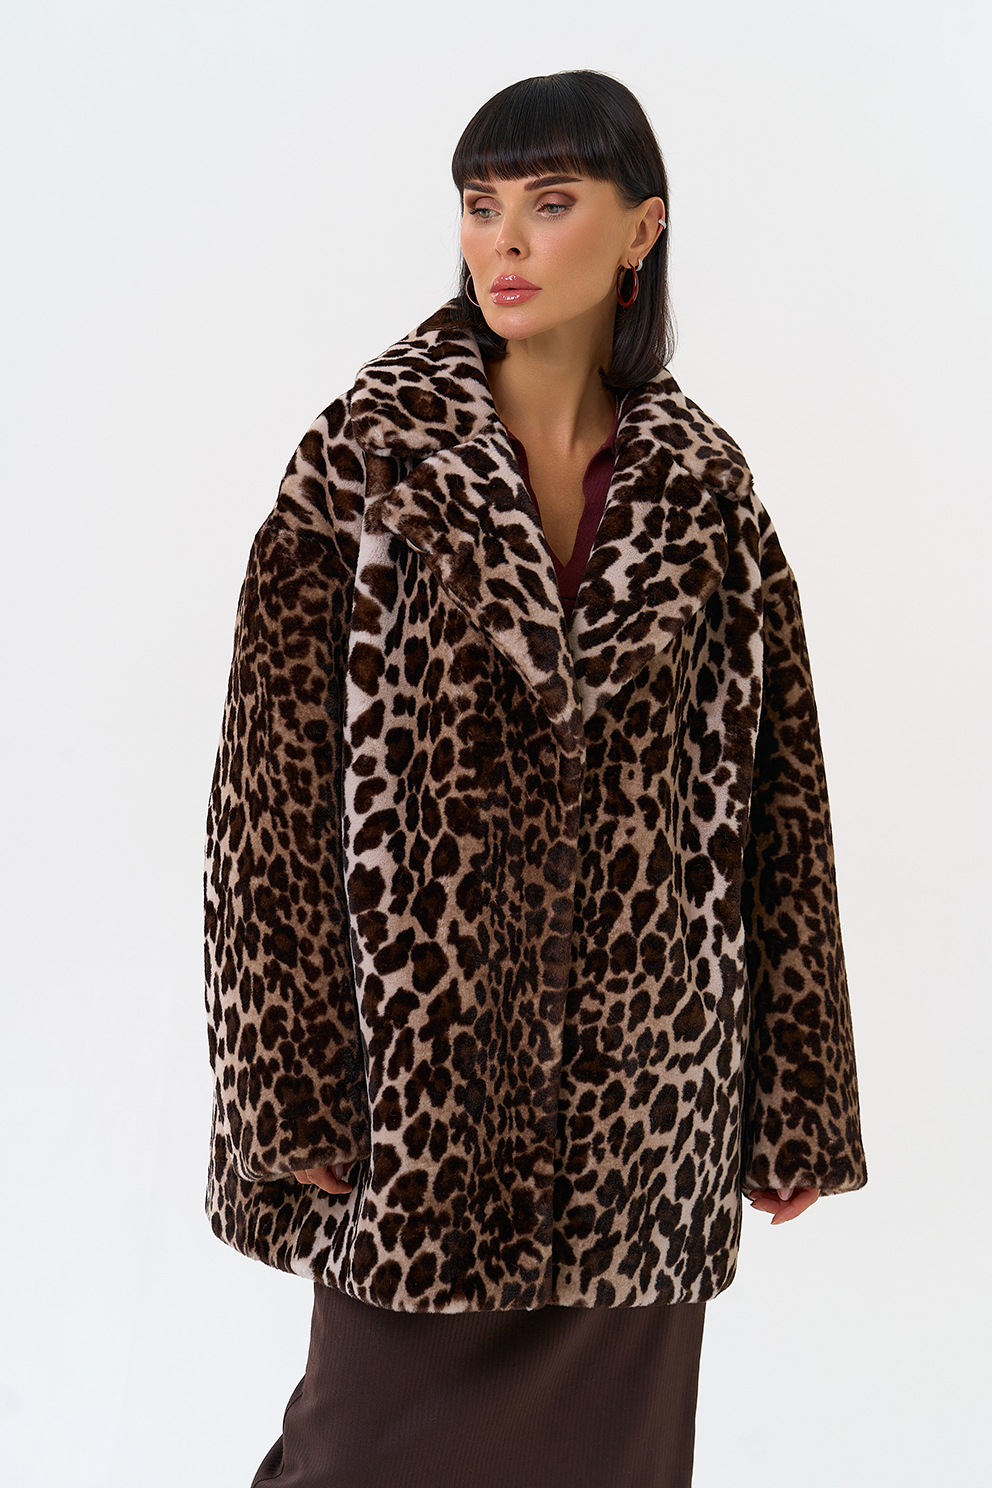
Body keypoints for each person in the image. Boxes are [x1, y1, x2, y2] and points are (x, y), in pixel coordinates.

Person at [203, 69, 867, 1488]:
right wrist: (288, 1084)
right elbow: (264, 806)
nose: (503, 241)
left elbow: (782, 811)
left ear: (641, 230)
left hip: (648, 1109)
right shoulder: (366, 462)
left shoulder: (707, 492)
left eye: (550, 203)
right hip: (418, 1106)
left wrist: (797, 1093)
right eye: (480, 204)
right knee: (355, 1453)